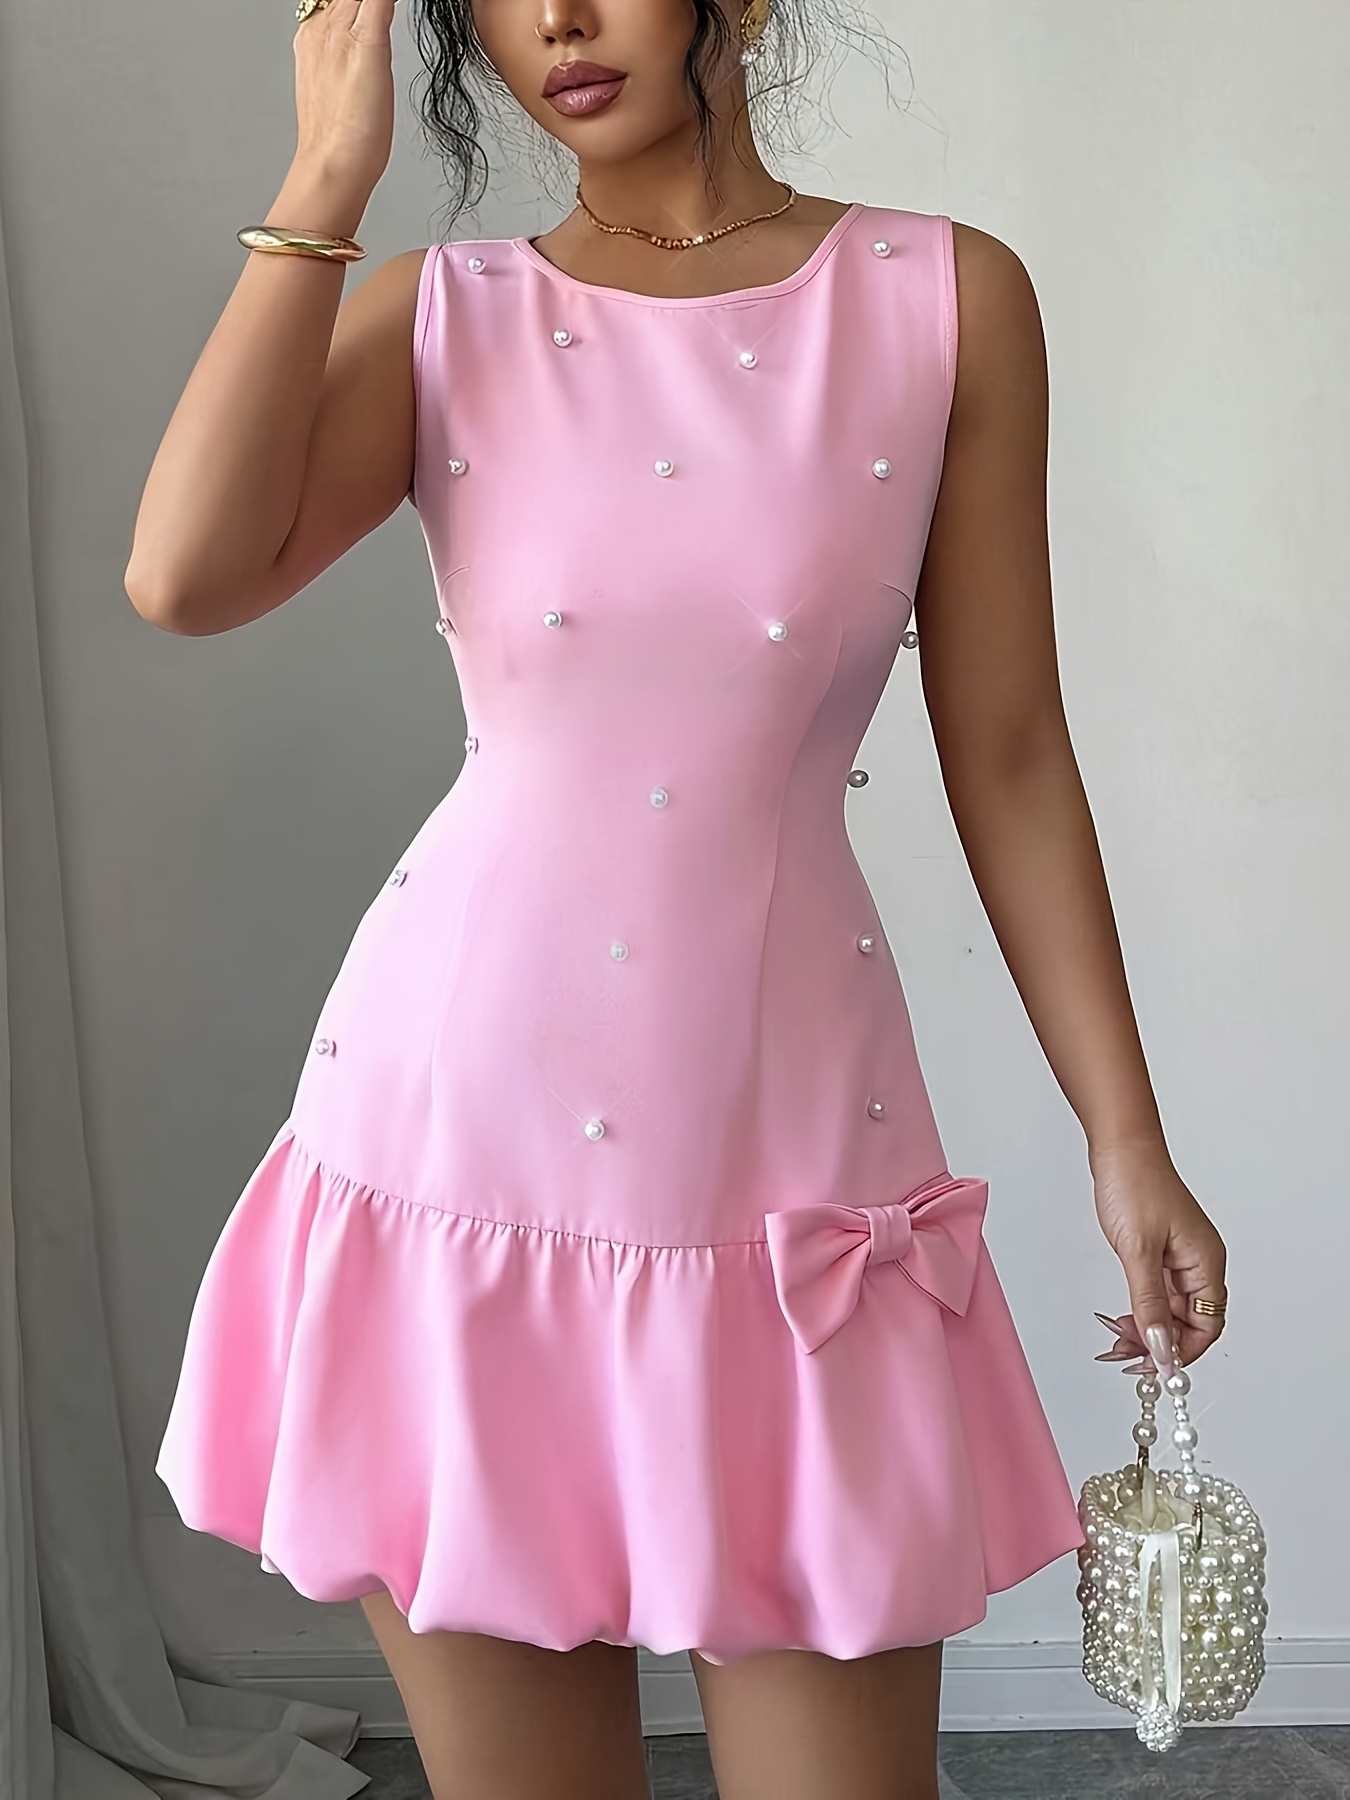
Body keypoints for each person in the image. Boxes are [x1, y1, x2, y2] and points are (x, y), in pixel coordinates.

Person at [126, 2, 1229, 1796]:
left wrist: (1126, 1136)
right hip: (460, 1158)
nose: (554, 18)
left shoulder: (943, 299)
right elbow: (183, 575)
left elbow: (1011, 751)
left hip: (794, 1169)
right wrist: (322, 180)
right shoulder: (442, 315)